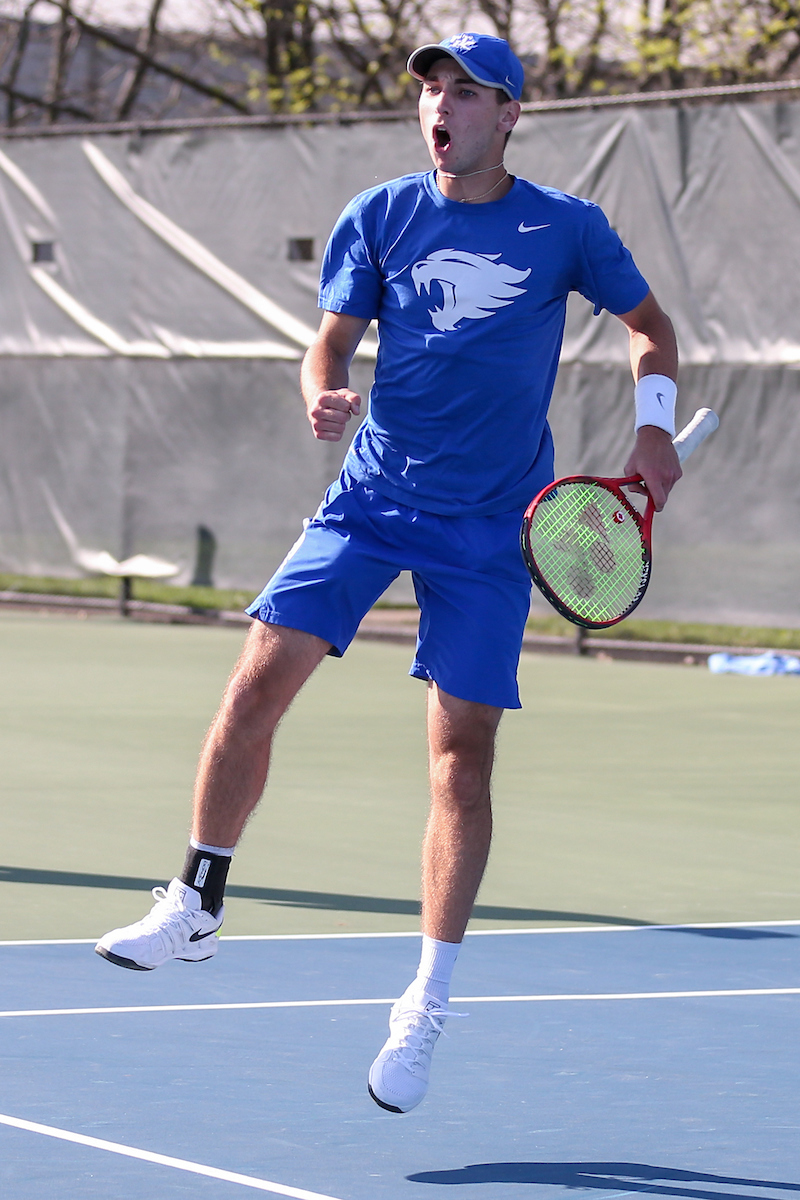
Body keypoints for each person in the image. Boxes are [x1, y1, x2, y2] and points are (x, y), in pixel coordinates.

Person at [95, 32, 681, 1114]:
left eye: (465, 91)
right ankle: (197, 900)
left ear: (509, 114)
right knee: (252, 687)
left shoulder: (566, 228)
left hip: (492, 528)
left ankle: (425, 1000)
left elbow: (649, 326)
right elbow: (329, 343)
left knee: (460, 762)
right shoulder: (381, 214)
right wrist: (319, 391)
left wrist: (652, 427)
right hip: (371, 500)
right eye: (431, 91)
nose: (439, 107)